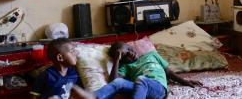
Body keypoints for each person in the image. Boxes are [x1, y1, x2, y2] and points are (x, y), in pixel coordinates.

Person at [71, 42, 202, 99]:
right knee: (119, 83)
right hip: (140, 88)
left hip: (159, 89)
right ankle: (93, 96)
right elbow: (113, 81)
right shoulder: (125, 67)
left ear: (130, 46)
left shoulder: (151, 55)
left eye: (128, 49)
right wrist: (117, 59)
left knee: (142, 80)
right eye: (125, 55)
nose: (130, 54)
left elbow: (168, 71)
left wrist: (185, 81)